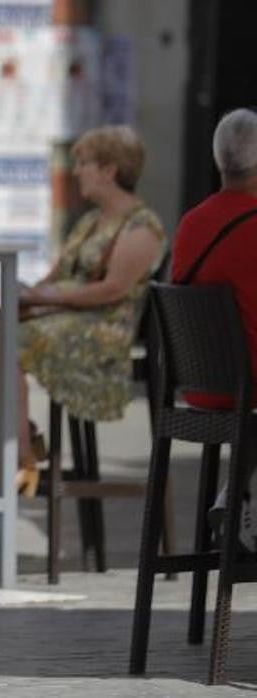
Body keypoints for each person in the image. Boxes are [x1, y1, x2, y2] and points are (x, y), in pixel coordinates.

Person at [0, 124, 165, 496]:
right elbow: (56, 276)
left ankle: (18, 457)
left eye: (83, 163)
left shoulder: (142, 226)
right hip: (60, 316)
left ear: (110, 170)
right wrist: (28, 296)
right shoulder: (89, 222)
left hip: (102, 328)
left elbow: (113, 289)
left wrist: (43, 299)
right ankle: (26, 435)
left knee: (7, 341)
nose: (77, 171)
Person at [173, 108, 257, 551]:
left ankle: (237, 495)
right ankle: (243, 501)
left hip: (200, 388)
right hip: (249, 389)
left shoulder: (190, 224)